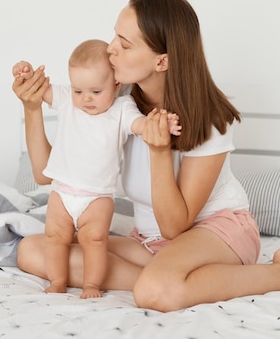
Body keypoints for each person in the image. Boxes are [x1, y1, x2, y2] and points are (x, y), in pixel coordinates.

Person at [11, 0, 280, 312]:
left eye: (124, 44)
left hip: (216, 232)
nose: (110, 49)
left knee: (155, 293)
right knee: (34, 251)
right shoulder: (116, 101)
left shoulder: (209, 119)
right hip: (151, 244)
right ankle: (182, 278)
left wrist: (159, 150)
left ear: (162, 60)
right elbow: (44, 173)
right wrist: (32, 108)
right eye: (114, 37)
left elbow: (174, 226)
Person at [12, 39, 180, 299]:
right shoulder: (69, 99)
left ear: (115, 85)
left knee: (95, 242)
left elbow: (141, 126)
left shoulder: (122, 108)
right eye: (78, 91)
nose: (85, 99)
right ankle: (57, 282)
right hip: (61, 193)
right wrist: (26, 74)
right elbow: (39, 90)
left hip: (97, 198)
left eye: (95, 92)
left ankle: (91, 285)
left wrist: (159, 124)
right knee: (55, 238)